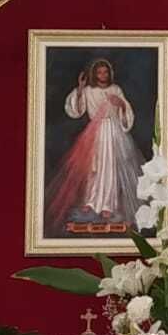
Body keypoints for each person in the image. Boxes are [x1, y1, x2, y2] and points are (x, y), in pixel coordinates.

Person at [46, 57, 145, 233]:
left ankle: (108, 204)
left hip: (113, 132)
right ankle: (92, 201)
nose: (102, 75)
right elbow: (76, 110)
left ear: (109, 73)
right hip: (95, 132)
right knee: (94, 167)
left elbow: (126, 111)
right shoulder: (89, 90)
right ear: (94, 74)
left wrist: (121, 104)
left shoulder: (115, 89)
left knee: (110, 168)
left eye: (105, 71)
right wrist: (80, 89)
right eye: (99, 72)